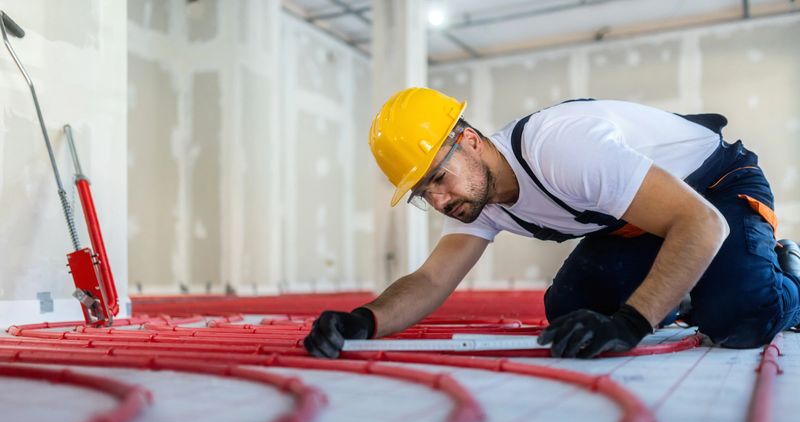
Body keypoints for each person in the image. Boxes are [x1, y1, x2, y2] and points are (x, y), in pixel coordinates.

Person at [303, 87, 800, 359]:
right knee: (569, 311)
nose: (438, 199)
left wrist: (631, 323)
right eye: (422, 193)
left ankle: (787, 273)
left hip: (714, 190)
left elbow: (700, 223)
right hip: (640, 223)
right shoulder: (478, 197)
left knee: (741, 317)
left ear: (470, 141)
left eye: (437, 178)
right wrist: (363, 320)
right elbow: (432, 279)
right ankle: (689, 289)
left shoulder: (559, 148)